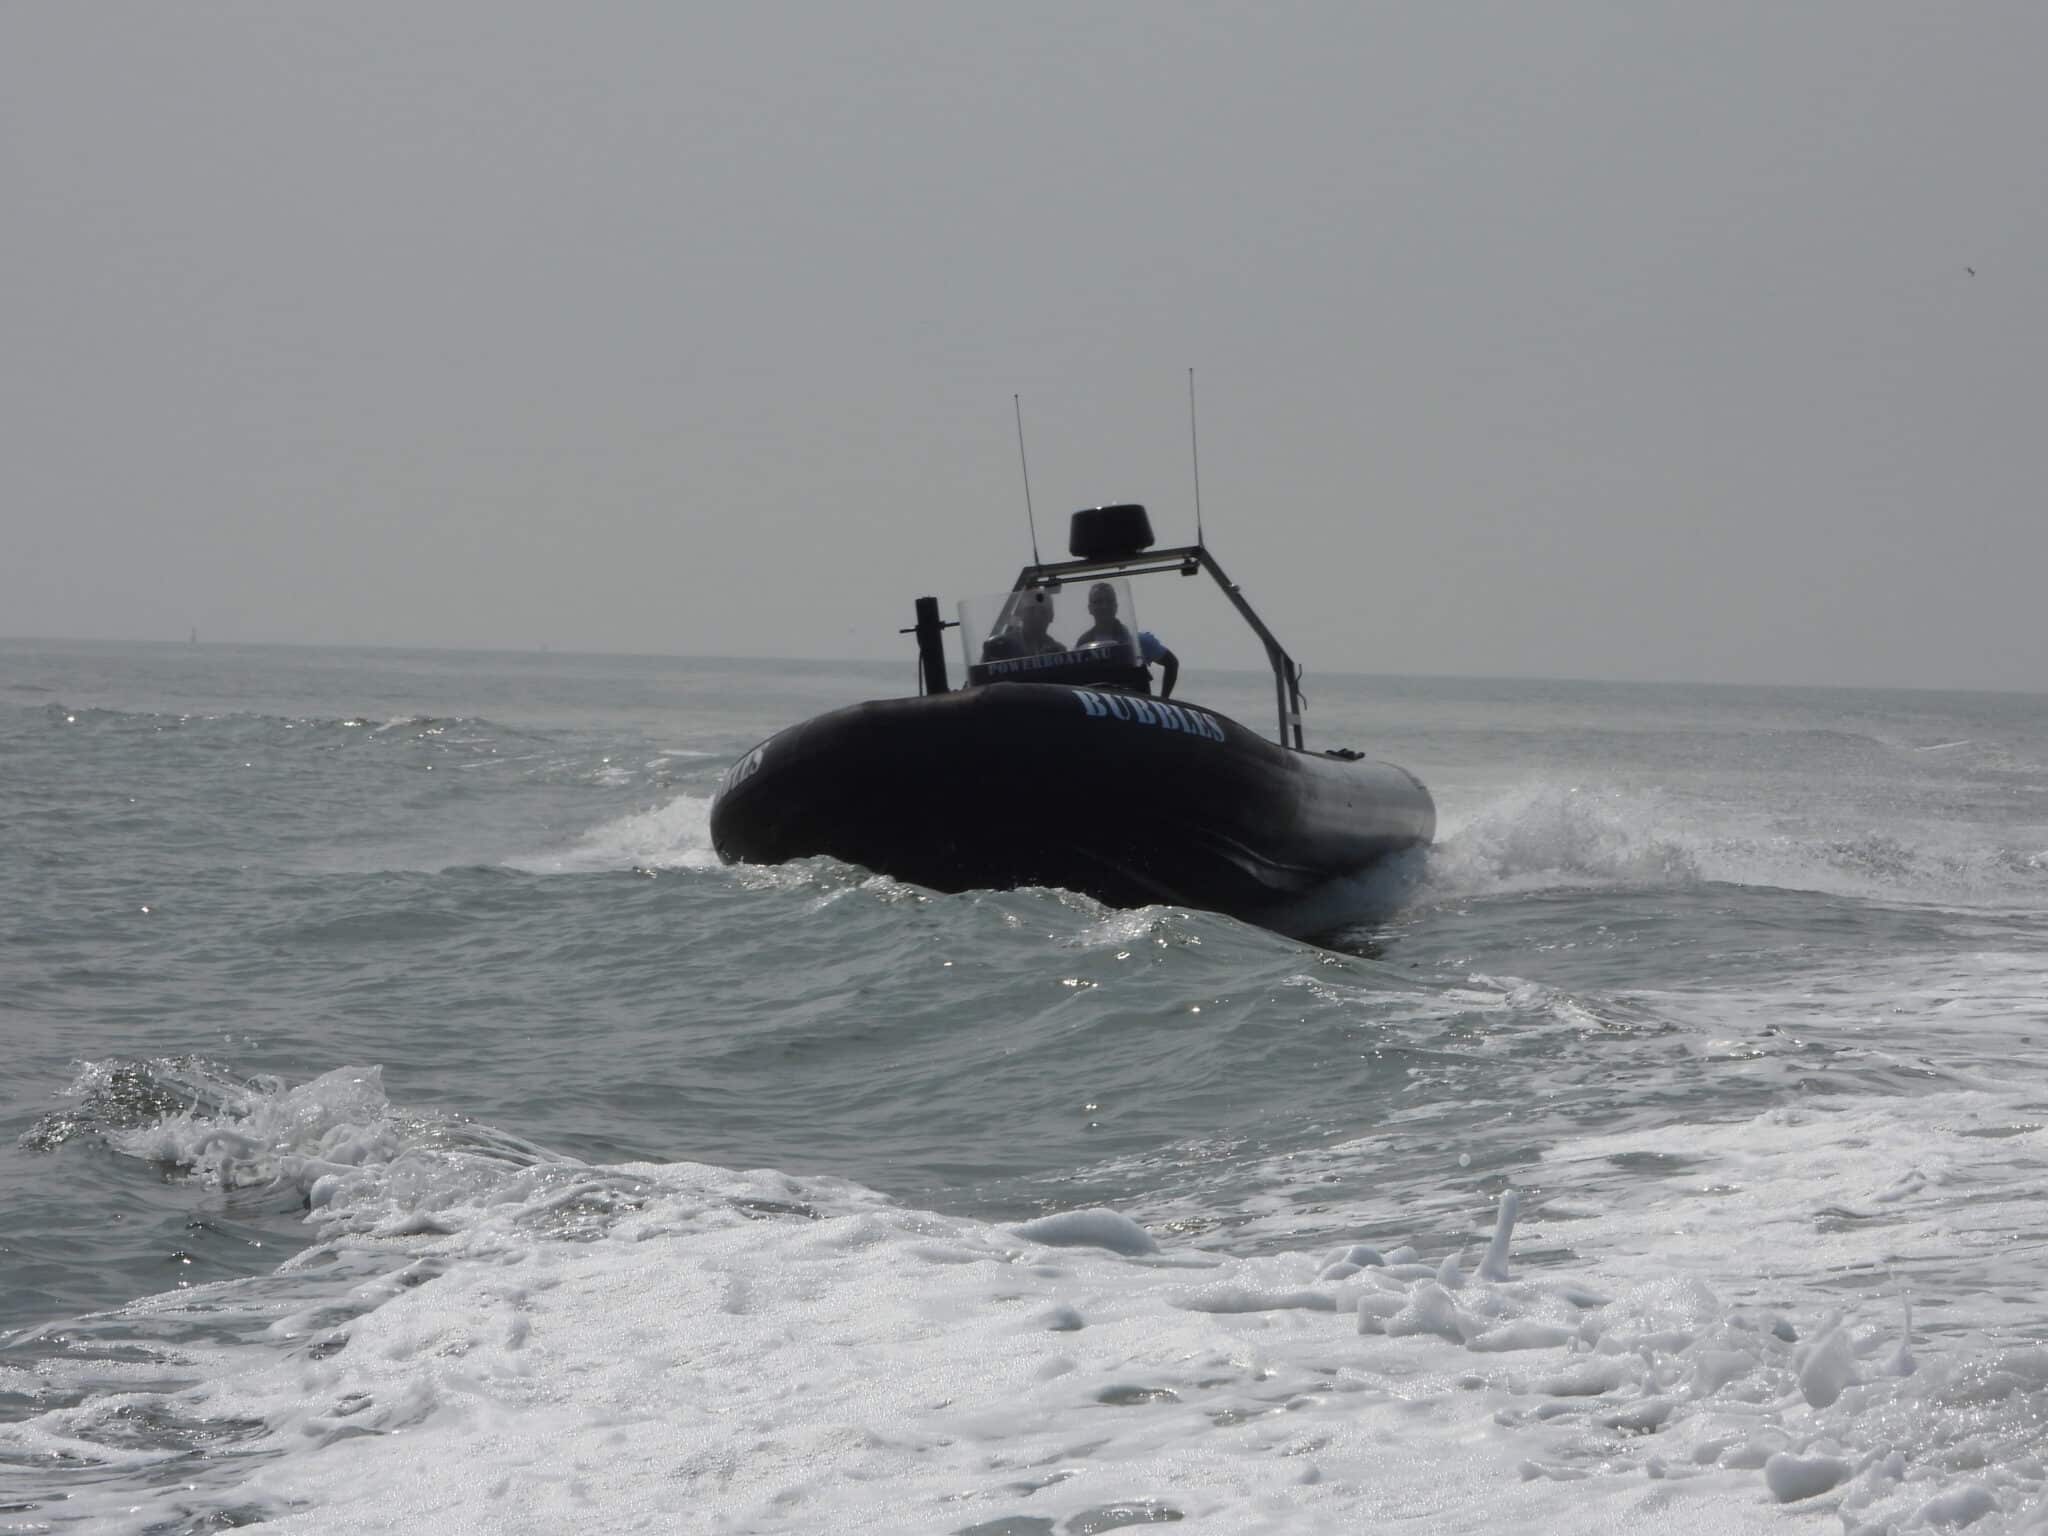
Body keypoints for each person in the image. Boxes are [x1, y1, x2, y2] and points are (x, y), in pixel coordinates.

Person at [1073, 581, 1179, 697]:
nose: (1104, 606)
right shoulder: (1082, 645)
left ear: (1116, 606)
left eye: (1109, 601)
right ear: (1090, 608)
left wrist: (1164, 699)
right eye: (1098, 602)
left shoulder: (1139, 642)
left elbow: (1172, 663)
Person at [980, 589, 1064, 661]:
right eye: (1031, 610)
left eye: (1043, 611)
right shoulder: (1000, 647)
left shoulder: (1059, 651)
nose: (1037, 616)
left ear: (1051, 616)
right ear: (1021, 614)